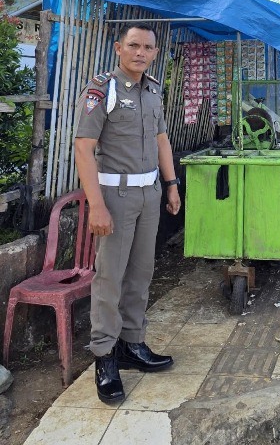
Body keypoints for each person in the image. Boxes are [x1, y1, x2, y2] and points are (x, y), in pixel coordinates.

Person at [74, 22, 181, 404]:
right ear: (119, 48)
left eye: (147, 47)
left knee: (141, 272)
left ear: (154, 52)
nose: (140, 52)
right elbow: (84, 148)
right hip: (114, 194)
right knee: (110, 276)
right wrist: (97, 205)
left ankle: (132, 344)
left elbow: (161, 139)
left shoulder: (153, 90)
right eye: (133, 45)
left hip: (150, 191)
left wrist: (171, 184)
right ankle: (104, 356)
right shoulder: (102, 89)